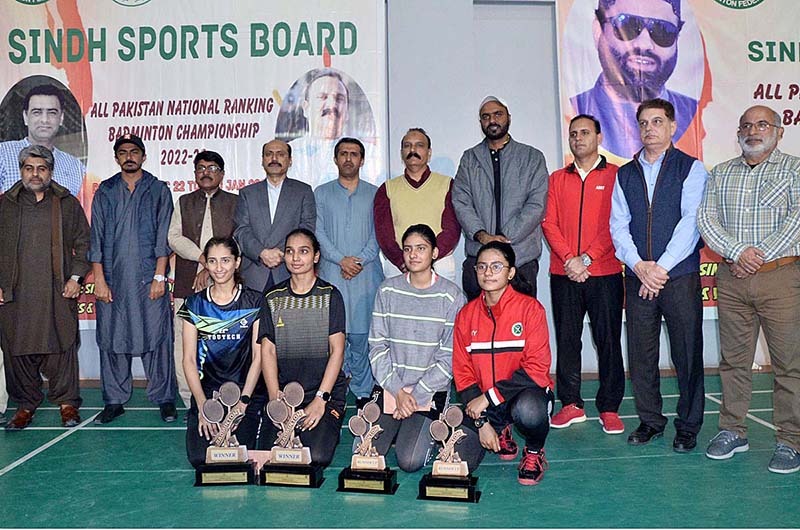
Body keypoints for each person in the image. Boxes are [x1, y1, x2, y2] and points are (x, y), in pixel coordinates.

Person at [697, 105, 800, 474]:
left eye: (761, 124)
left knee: (790, 364)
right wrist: (738, 252)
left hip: (782, 277)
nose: (753, 130)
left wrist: (759, 256)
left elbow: (798, 219)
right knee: (734, 360)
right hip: (732, 276)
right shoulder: (722, 173)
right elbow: (706, 219)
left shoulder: (795, 169)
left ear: (779, 130)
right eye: (746, 125)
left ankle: (791, 440)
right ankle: (732, 430)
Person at [609, 98, 707, 451]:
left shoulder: (691, 169)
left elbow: (691, 222)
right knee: (641, 354)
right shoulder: (625, 173)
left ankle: (689, 426)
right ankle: (650, 421)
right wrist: (639, 266)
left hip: (677, 276)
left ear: (671, 126)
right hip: (638, 277)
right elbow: (618, 227)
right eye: (644, 123)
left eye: (657, 122)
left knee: (687, 352)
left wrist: (660, 268)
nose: (649, 129)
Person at [542, 115, 625, 434]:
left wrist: (587, 258)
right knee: (567, 340)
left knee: (608, 340)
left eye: (585, 133)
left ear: (599, 136)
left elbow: (617, 225)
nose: (578, 138)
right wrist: (569, 259)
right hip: (563, 273)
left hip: (603, 272)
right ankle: (571, 404)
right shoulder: (556, 179)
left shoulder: (617, 177)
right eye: (573, 134)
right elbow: (549, 223)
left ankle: (609, 407)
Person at [89, 134, 177, 424]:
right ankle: (114, 400)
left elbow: (164, 237)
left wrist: (159, 276)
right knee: (113, 338)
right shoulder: (106, 190)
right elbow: (97, 238)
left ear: (143, 156)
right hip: (113, 281)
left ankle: (164, 398)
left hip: (148, 279)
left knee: (157, 337)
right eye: (123, 152)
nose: (129, 156)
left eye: (135, 152)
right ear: (116, 158)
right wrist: (99, 279)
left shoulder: (158, 190)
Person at [0, 145, 89, 430]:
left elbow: (84, 244)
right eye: (29, 168)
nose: (35, 174)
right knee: (17, 348)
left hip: (56, 291)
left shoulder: (65, 203)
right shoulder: (6, 205)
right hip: (16, 292)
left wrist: (75, 278)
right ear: (21, 170)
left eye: (41, 168)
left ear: (50, 171)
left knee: (61, 347)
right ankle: (25, 405)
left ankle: (67, 404)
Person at [452, 241, 555, 485]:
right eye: (482, 267)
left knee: (528, 411)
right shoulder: (465, 316)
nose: (488, 273)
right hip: (484, 403)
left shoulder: (531, 309)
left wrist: (488, 398)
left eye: (496, 266)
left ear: (510, 272)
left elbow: (537, 369)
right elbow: (462, 373)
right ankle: (501, 430)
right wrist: (482, 422)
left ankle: (533, 451)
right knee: (461, 461)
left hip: (522, 397)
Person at [368, 224, 466, 472]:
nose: (413, 255)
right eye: (408, 249)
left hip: (429, 392)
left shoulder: (452, 296)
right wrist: (399, 393)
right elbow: (377, 346)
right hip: (392, 389)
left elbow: (449, 357)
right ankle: (399, 425)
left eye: (421, 248)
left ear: (434, 253)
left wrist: (415, 397)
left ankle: (425, 426)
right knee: (368, 454)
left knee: (409, 461)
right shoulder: (387, 290)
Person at [259, 229, 346, 467]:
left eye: (303, 251)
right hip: (286, 396)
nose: (296, 258)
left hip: (322, 394)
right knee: (270, 455)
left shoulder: (330, 296)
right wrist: (275, 398)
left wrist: (320, 399)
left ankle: (329, 425)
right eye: (290, 252)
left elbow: (337, 351)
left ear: (316, 256)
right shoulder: (272, 297)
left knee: (315, 457)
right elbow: (267, 351)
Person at [178, 237, 267, 468]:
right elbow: (188, 360)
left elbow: (258, 358)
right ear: (205, 264)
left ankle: (254, 424)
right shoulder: (194, 303)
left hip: (246, 394)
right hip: (209, 394)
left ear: (237, 262)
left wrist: (243, 403)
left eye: (226, 260)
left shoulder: (254, 301)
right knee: (200, 459)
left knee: (240, 455)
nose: (219, 268)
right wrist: (202, 406)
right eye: (213, 261)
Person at [571, 0, 699, 157]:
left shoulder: (696, 115)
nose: (644, 44)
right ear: (598, 30)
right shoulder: (576, 107)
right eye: (628, 26)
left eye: (663, 31)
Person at [452, 96, 549, 300]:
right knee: (478, 326)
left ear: (508, 118)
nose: (492, 120)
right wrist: (483, 236)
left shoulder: (532, 157)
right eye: (485, 117)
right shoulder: (470, 159)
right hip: (479, 259)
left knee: (520, 327)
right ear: (480, 123)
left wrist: (505, 238)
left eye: (498, 114)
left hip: (520, 258)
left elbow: (536, 204)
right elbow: (461, 202)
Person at [314, 137, 383, 407]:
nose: (348, 159)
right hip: (333, 275)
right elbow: (317, 232)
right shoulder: (321, 193)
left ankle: (364, 395)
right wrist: (341, 259)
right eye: (343, 153)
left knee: (363, 337)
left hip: (366, 276)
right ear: (335, 158)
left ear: (362, 160)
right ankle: (336, 393)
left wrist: (360, 261)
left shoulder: (377, 193)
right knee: (335, 337)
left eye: (354, 154)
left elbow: (380, 233)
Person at [168, 150, 237, 415]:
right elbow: (173, 237)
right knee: (183, 342)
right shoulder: (184, 202)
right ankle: (190, 401)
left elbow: (236, 239)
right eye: (200, 168)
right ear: (195, 173)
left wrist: (212, 267)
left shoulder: (235, 202)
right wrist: (202, 260)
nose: (205, 172)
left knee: (225, 340)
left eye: (212, 167)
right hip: (188, 284)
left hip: (224, 285)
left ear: (221, 174)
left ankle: (225, 400)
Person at [373, 128, 460, 277]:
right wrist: (404, 260)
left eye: (419, 145)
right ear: (401, 153)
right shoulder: (387, 189)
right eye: (407, 146)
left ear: (429, 152)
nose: (412, 150)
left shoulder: (447, 185)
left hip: (438, 262)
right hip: (400, 264)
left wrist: (428, 257)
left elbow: (452, 229)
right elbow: (384, 234)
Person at [234, 139, 316, 292]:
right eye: (269, 154)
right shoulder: (247, 193)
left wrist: (282, 253)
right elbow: (241, 230)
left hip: (289, 270)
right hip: (254, 272)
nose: (274, 159)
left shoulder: (303, 191)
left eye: (280, 154)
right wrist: (262, 253)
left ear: (290, 161)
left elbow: (307, 228)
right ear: (262, 160)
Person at [0, 84, 85, 196]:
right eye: (37, 112)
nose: (45, 120)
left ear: (61, 118)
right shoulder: (3, 154)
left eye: (52, 112)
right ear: (25, 117)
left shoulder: (75, 167)